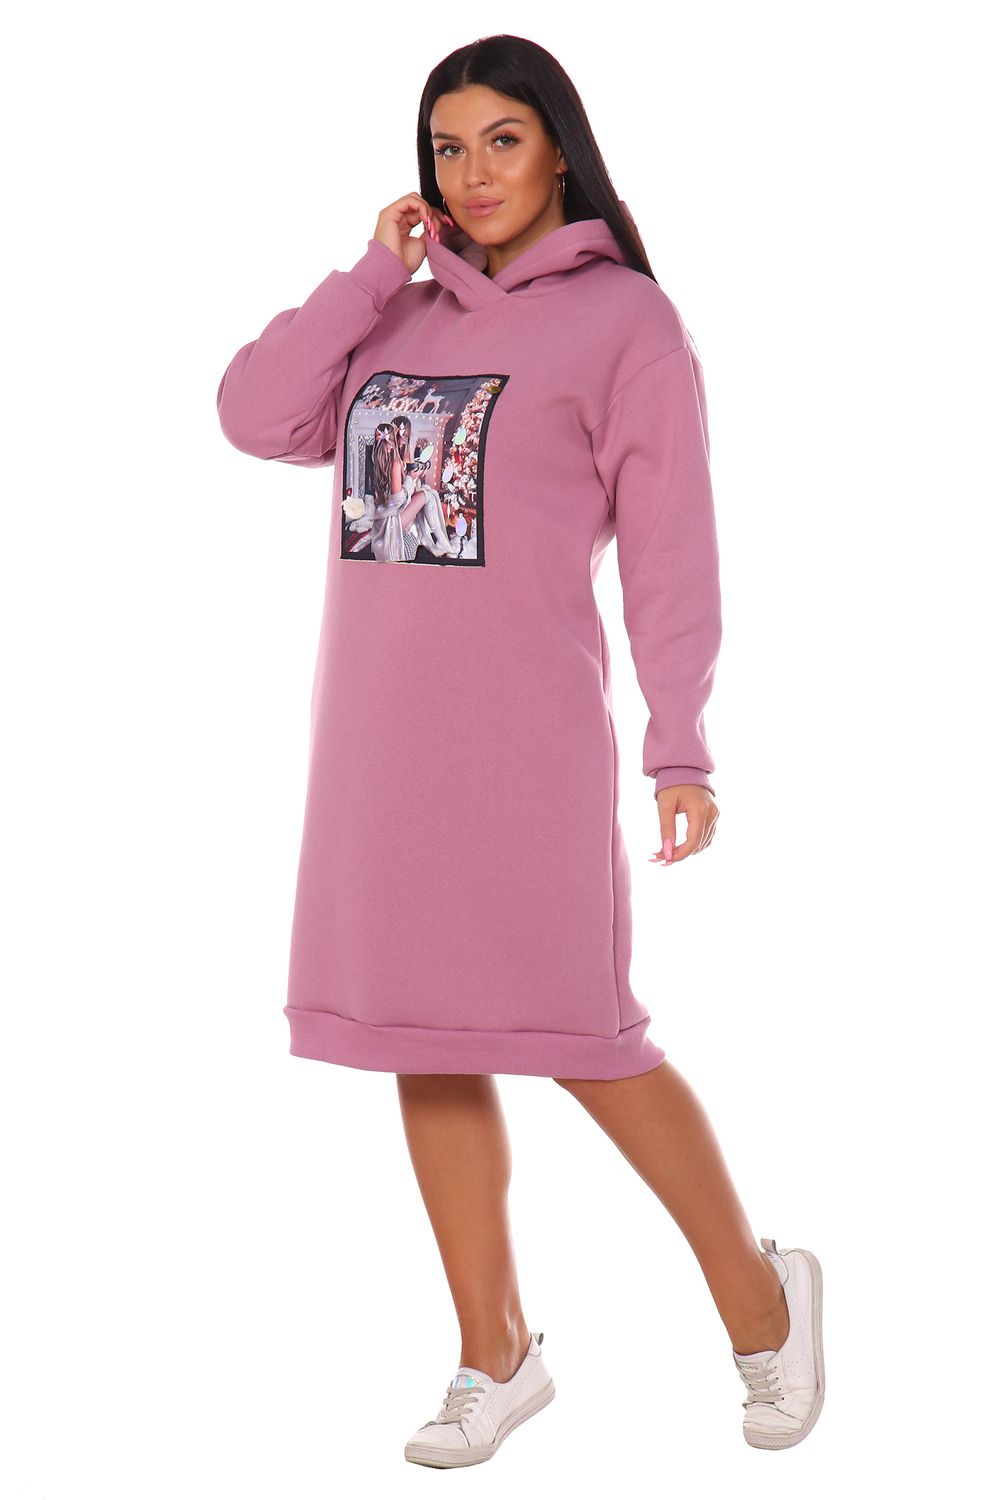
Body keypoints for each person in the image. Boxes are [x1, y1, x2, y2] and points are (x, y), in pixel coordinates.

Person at [217, 32, 825, 1469]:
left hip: (523, 751)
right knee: (421, 1040)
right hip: (377, 755)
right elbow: (254, 415)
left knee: (588, 1042)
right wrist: (371, 274)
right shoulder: (395, 320)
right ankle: (495, 1352)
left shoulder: (627, 326)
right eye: (449, 146)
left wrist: (681, 748)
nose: (474, 172)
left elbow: (673, 553)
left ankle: (766, 1303)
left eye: (503, 139)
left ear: (560, 145)